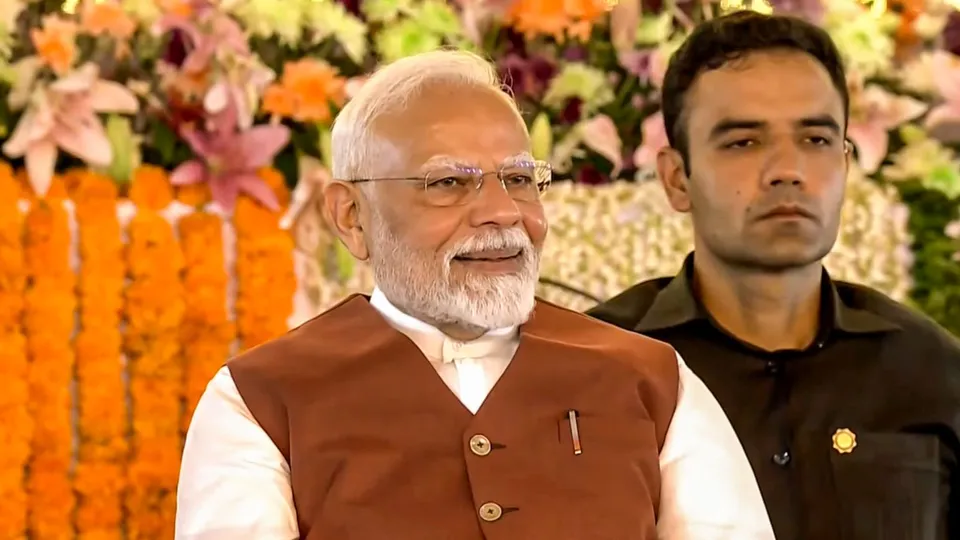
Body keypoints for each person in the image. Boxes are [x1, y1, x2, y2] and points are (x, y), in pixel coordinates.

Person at [174, 50, 774, 540]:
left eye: (518, 179)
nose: (502, 213)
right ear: (352, 216)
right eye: (448, 183)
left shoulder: (654, 381)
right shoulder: (259, 402)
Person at [588, 11, 960, 540]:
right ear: (676, 178)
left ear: (846, 164)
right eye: (744, 142)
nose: (788, 169)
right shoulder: (597, 367)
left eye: (815, 139)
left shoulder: (931, 371)